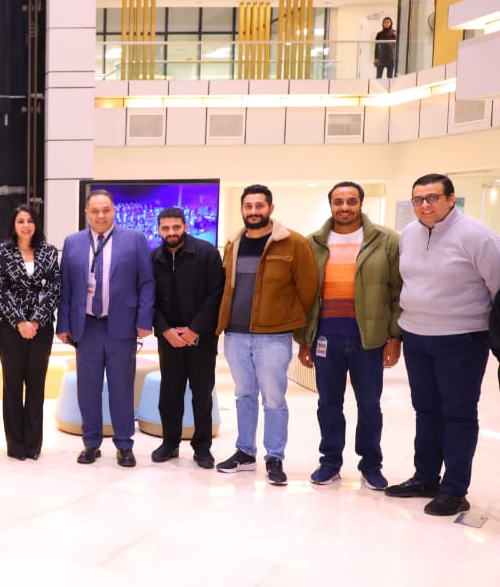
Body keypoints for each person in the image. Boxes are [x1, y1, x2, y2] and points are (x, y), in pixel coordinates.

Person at [387, 174, 500, 516]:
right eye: (418, 199)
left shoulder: (478, 236)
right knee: (426, 409)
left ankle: (454, 489)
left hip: (461, 338)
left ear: (451, 199)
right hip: (417, 336)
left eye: (432, 198)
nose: (425, 205)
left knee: (458, 413)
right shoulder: (410, 233)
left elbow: (498, 287)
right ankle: (425, 478)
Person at [296, 182, 402, 491]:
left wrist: (395, 337)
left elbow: (398, 292)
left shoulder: (386, 241)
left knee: (369, 405)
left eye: (351, 201)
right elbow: (305, 295)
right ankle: (330, 462)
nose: (345, 207)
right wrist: (304, 340)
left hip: (369, 339)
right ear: (330, 204)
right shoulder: (313, 243)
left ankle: (371, 465)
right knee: (328, 404)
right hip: (326, 338)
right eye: (339, 201)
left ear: (361, 204)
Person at [215, 185, 318, 485]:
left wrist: (287, 318)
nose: (253, 211)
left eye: (259, 205)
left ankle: (275, 457)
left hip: (273, 336)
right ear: (242, 209)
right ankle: (245, 452)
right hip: (236, 334)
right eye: (248, 206)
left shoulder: (293, 243)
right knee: (243, 395)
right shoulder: (233, 244)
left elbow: (308, 288)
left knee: (274, 398)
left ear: (270, 208)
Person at [57, 189, 155, 467]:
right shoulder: (73, 242)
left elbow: (146, 283)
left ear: (114, 211)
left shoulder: (134, 239)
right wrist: (63, 324)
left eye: (106, 210)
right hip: (86, 327)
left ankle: (124, 445)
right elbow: (66, 287)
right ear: (86, 213)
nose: (101, 216)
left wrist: (144, 320)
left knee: (122, 388)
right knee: (87, 390)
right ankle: (91, 443)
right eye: (95, 211)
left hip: (122, 326)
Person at [150, 207, 224, 469]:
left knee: (202, 394)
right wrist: (165, 330)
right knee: (169, 393)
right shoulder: (153, 258)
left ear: (185, 226)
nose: (171, 232)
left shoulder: (207, 253)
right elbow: (149, 299)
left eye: (176, 227)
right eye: (165, 228)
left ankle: (202, 447)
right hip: (168, 338)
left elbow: (216, 295)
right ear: (158, 230)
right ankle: (170, 443)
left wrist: (195, 329)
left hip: (201, 338)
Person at [0, 204, 61, 460]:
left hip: (41, 328)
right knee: (12, 386)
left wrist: (36, 321)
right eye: (20, 221)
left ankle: (33, 445)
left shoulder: (49, 251)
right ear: (13, 225)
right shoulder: (1, 252)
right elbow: (0, 289)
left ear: (36, 224)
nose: (25, 225)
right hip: (10, 328)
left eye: (30, 221)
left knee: (36, 386)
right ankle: (16, 445)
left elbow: (55, 287)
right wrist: (20, 321)